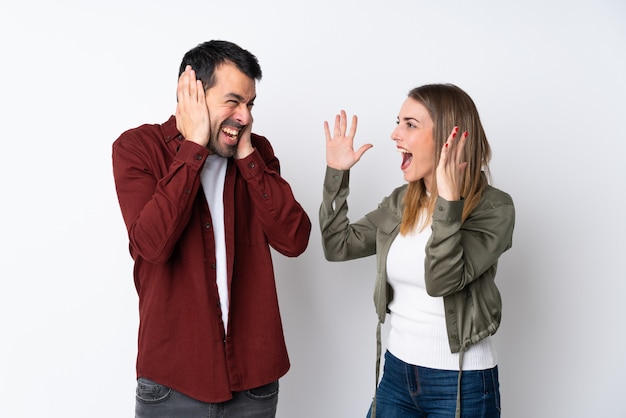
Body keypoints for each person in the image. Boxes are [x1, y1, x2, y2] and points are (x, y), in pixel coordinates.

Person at [112, 40, 311, 418]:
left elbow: (294, 239)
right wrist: (193, 147)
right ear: (193, 94)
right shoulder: (138, 148)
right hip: (172, 384)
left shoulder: (258, 153)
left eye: (250, 104)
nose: (245, 117)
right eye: (233, 101)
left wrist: (250, 156)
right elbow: (152, 246)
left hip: (253, 384)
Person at [319, 84, 515, 418]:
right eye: (399, 122)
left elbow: (442, 281)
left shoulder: (494, 208)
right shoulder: (401, 201)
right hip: (397, 374)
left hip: (460, 385)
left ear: (449, 137)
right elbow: (338, 245)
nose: (395, 134)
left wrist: (448, 203)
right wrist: (337, 174)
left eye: (410, 124)